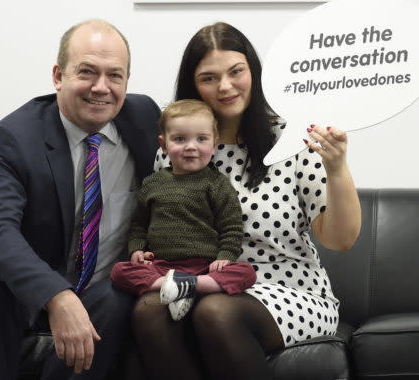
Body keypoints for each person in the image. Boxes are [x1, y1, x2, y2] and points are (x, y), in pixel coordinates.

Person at [0, 19, 161, 380]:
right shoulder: (13, 138)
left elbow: (203, 133)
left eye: (115, 76)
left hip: (100, 289)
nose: (102, 87)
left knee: (119, 295)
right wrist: (58, 296)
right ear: (58, 75)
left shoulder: (145, 119)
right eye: (87, 72)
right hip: (20, 289)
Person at [130, 22, 362, 380]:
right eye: (209, 78)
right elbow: (152, 226)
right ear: (194, 85)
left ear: (253, 72)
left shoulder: (293, 141)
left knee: (216, 313)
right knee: (149, 309)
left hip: (290, 292)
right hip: (200, 285)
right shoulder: (177, 150)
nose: (225, 86)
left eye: (236, 71)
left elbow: (340, 239)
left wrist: (336, 168)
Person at [110, 99, 256, 321]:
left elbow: (232, 228)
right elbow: (139, 223)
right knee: (119, 271)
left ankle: (189, 286)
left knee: (246, 273)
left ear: (214, 145)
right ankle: (177, 287)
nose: (191, 146)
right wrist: (136, 249)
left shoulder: (216, 184)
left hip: (204, 266)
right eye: (180, 139)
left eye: (201, 139)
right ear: (164, 145)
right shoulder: (153, 183)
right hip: (161, 267)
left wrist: (225, 256)